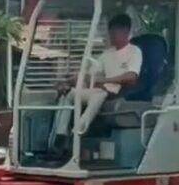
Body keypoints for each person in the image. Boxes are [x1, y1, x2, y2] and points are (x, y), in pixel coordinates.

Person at [51, 13, 142, 147]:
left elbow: (132, 77)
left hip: (117, 92)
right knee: (70, 94)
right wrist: (66, 81)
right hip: (99, 90)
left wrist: (104, 81)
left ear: (125, 31)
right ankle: (61, 134)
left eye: (114, 33)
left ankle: (78, 130)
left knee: (100, 94)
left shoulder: (134, 51)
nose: (111, 36)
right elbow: (89, 73)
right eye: (110, 33)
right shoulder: (107, 54)